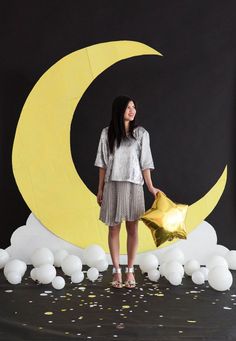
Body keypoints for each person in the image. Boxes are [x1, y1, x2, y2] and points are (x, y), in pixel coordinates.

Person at [94, 95, 160, 289]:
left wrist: (150, 186)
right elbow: (102, 164)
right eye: (128, 107)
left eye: (134, 107)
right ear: (119, 109)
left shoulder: (141, 134)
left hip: (134, 186)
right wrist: (100, 189)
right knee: (113, 229)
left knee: (133, 229)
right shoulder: (106, 134)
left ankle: (130, 270)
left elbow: (145, 163)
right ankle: (116, 270)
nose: (132, 110)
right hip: (112, 185)